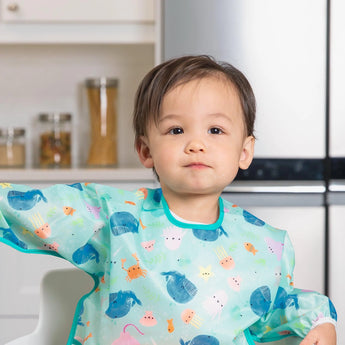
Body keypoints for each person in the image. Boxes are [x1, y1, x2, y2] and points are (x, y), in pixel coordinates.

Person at [0, 55, 337, 345]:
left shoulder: (265, 245)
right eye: (177, 131)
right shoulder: (112, 217)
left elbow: (280, 305)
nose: (196, 144)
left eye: (215, 131)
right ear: (146, 150)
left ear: (245, 151)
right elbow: (27, 206)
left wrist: (321, 320)